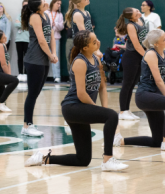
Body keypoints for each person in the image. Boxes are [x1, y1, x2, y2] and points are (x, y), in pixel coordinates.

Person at [25, 30, 128, 171]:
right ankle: (108, 159)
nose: (98, 42)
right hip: (72, 108)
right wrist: (100, 110)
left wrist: (103, 109)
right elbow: (81, 94)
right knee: (111, 115)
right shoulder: (80, 62)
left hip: (81, 108)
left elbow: (102, 88)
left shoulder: (97, 60)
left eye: (96, 39)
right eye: (94, 41)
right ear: (85, 47)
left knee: (83, 159)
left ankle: (43, 158)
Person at [115, 30, 165, 152]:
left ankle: (120, 141)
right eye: (164, 39)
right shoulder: (151, 54)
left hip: (154, 97)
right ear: (156, 44)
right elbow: (159, 81)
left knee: (156, 141)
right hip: (144, 96)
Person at [21, 0, 57, 137]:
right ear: (38, 7)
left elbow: (51, 36)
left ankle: (27, 125)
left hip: (43, 60)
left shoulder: (45, 15)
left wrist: (53, 53)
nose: (45, 1)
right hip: (34, 60)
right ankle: (27, 125)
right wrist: (50, 55)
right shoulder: (35, 17)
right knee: (32, 94)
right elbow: (42, 40)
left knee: (35, 94)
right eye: (43, 1)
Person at [116, 7, 148, 121]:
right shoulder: (130, 25)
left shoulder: (141, 20)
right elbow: (136, 45)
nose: (139, 12)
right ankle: (122, 111)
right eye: (136, 13)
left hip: (139, 56)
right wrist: (147, 56)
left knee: (132, 84)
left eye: (137, 10)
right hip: (131, 57)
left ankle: (127, 110)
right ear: (131, 17)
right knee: (127, 84)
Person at [46, 0, 64, 83]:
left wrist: (55, 24)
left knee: (55, 56)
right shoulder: (46, 13)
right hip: (46, 38)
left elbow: (62, 27)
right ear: (53, 3)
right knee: (45, 56)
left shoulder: (60, 15)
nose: (59, 5)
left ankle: (56, 76)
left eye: (60, 4)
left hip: (56, 37)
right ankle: (44, 75)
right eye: (57, 3)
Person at [14, 0, 29, 81]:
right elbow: (16, 24)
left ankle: (26, 73)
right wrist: (24, 25)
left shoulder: (31, 15)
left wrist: (21, 24)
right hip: (19, 39)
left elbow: (29, 25)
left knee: (26, 57)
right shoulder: (19, 14)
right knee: (20, 57)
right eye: (24, 5)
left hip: (27, 39)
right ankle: (20, 73)